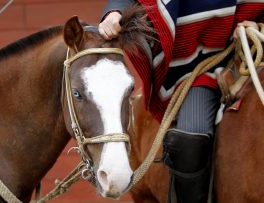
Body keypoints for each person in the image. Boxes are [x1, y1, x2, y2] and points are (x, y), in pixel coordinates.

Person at [99, 0, 264, 203]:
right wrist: (114, 13)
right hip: (200, 66)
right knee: (191, 136)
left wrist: (259, 23)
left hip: (253, 54)